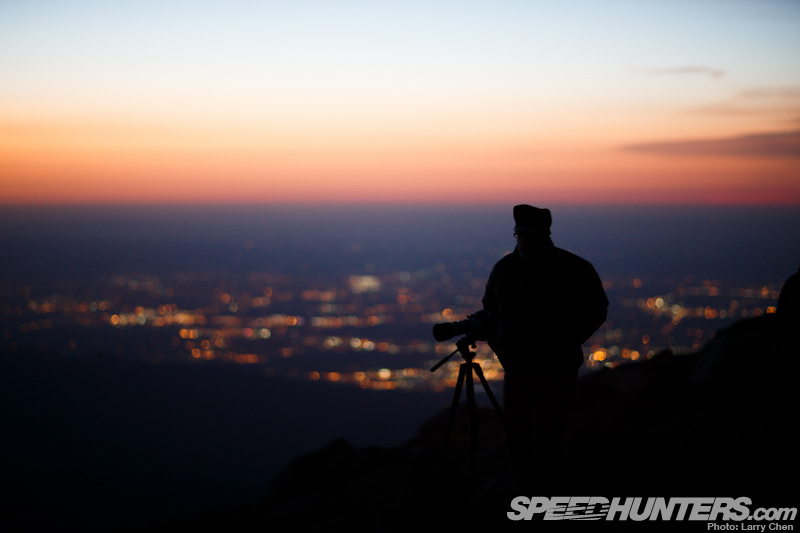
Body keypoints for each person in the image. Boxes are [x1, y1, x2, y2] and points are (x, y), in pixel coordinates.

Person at [481, 204, 608, 490]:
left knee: (552, 431)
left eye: (529, 234)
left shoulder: (572, 268)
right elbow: (490, 312)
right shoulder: (505, 270)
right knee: (517, 433)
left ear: (544, 235)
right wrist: (501, 346)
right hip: (518, 367)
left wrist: (566, 341)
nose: (523, 240)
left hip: (557, 367)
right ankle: (525, 487)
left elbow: (597, 309)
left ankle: (548, 489)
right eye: (519, 235)